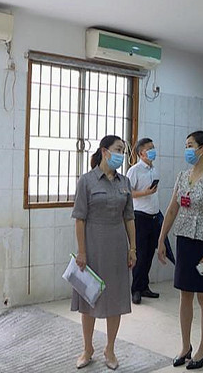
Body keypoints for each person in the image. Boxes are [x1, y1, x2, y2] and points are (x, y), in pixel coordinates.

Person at [157, 130, 203, 370]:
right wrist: (161, 238)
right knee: (184, 294)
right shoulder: (183, 176)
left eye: (190, 145)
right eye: (186, 145)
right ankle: (185, 346)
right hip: (184, 241)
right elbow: (172, 209)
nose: (187, 150)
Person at [71, 135, 136, 370]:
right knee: (89, 297)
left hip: (117, 246)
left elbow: (129, 217)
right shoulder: (87, 181)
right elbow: (79, 219)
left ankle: (110, 349)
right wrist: (82, 252)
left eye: (123, 151)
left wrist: (132, 248)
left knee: (115, 299)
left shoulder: (124, 182)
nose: (121, 155)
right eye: (118, 149)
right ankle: (87, 349)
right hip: (93, 245)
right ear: (104, 151)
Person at [126, 138, 161, 304]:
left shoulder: (154, 169)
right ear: (141, 153)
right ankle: (136, 289)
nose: (153, 151)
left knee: (149, 254)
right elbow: (127, 192)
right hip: (139, 217)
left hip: (154, 217)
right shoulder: (135, 170)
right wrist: (145, 193)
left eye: (153, 147)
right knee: (139, 255)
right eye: (149, 149)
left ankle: (144, 286)